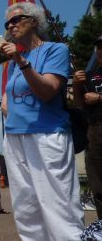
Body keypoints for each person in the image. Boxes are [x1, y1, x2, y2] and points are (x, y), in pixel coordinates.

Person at [0, 2, 84, 240]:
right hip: (16, 136)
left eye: (16, 20)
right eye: (7, 23)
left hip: (47, 133)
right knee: (27, 208)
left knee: (59, 204)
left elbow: (48, 91)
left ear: (34, 21)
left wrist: (22, 63)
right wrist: (7, 103)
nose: (10, 26)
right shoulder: (15, 59)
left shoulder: (55, 50)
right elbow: (7, 98)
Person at [72, 34, 102, 220]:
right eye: (98, 47)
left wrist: (99, 98)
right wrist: (76, 85)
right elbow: (79, 105)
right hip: (95, 130)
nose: (100, 51)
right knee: (98, 185)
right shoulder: (90, 75)